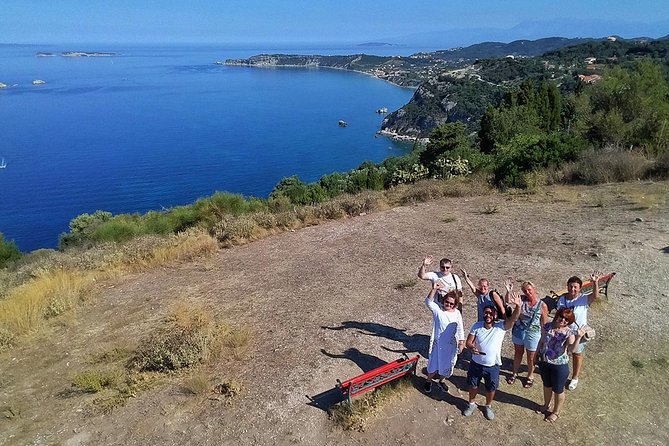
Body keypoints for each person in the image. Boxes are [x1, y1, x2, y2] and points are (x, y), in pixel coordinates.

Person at [462, 291, 522, 420]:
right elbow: (468, 342)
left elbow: (513, 319)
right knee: (473, 386)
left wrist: (518, 307)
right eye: (486, 313)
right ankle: (471, 404)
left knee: (490, 389)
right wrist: (471, 348)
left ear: (495, 315)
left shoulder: (501, 326)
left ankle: (488, 406)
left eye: (491, 313)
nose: (488, 315)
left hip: (493, 366)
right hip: (476, 364)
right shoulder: (477, 326)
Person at [536, 308, 588, 422]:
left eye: (566, 319)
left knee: (558, 390)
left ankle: (555, 412)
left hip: (559, 366)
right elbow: (542, 340)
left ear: (569, 321)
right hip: (545, 362)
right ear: (557, 315)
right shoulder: (548, 326)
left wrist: (578, 337)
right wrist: (536, 354)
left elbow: (572, 349)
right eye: (562, 317)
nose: (563, 320)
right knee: (547, 385)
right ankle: (546, 405)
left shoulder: (569, 333)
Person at [556, 272, 601, 390]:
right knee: (563, 352)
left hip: (578, 333)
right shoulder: (562, 299)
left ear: (580, 288)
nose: (572, 289)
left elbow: (595, 296)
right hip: (564, 331)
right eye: (570, 286)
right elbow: (558, 315)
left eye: (575, 287)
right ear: (567, 286)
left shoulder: (584, 299)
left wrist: (595, 282)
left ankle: (575, 377)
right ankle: (561, 372)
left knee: (577, 354)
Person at [506, 279, 548, 389]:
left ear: (534, 289)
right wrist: (508, 291)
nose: (527, 292)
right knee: (518, 352)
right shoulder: (522, 299)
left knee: (531, 356)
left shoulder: (542, 305)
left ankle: (530, 376)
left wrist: (544, 339)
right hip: (519, 330)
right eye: (525, 291)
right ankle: (514, 373)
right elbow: (508, 301)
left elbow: (544, 324)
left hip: (533, 333)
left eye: (529, 290)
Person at [424, 282, 465, 393]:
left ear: (455, 305)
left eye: (452, 304)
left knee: (447, 364)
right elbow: (428, 302)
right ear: (444, 301)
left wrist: (462, 342)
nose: (449, 305)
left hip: (450, 345)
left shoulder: (457, 313)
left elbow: (460, 328)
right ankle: (428, 381)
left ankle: (442, 380)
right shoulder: (438, 310)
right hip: (438, 344)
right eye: (447, 302)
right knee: (434, 364)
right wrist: (434, 289)